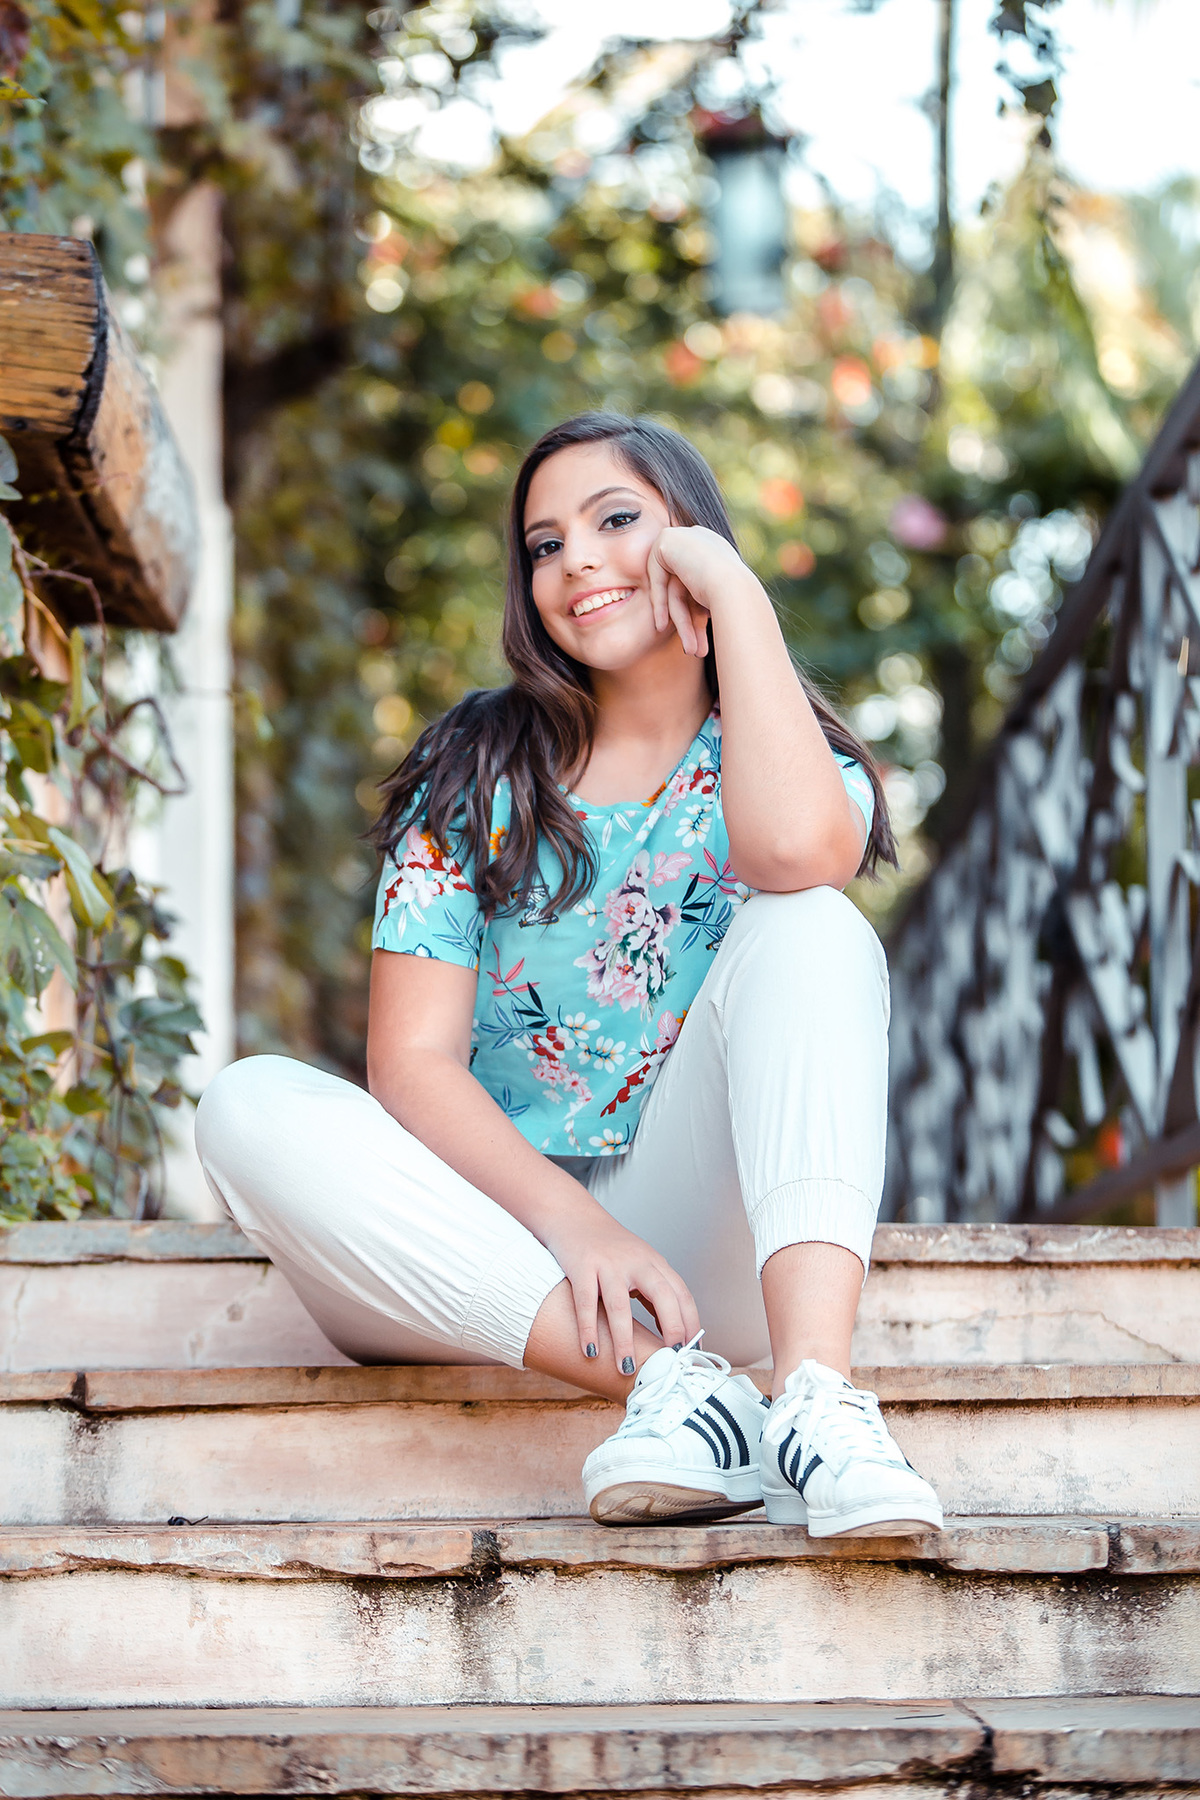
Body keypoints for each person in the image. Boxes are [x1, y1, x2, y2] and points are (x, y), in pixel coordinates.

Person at [196, 411, 943, 1538]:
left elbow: (797, 856)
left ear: (694, 536)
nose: (577, 560)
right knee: (246, 1103)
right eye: (545, 545)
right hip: (471, 1247)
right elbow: (410, 1062)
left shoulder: (781, 758)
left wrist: (735, 599)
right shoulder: (473, 768)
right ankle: (681, 1394)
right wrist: (573, 1226)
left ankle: (814, 1403)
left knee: (815, 927)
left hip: (694, 1257)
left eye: (616, 520)